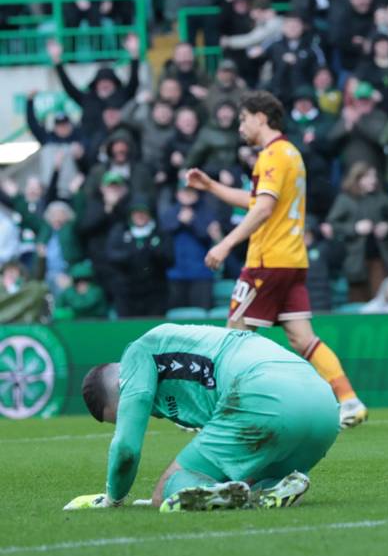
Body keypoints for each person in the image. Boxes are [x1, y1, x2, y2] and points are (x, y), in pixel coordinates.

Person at [186, 90, 368, 428]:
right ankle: (349, 400)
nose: (240, 127)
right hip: (292, 260)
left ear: (260, 117)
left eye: (243, 119)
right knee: (303, 339)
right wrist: (212, 186)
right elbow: (257, 200)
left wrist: (225, 244)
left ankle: (212, 413)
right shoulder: (290, 153)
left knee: (232, 337)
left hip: (266, 260)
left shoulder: (271, 155)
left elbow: (264, 208)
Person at [65, 324, 338, 512]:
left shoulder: (137, 354)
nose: (142, 415)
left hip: (262, 392)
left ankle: (235, 494)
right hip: (324, 410)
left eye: (123, 415)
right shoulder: (182, 347)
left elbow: (126, 449)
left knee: (167, 495)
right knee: (248, 482)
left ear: (122, 389)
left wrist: (113, 499)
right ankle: (277, 486)